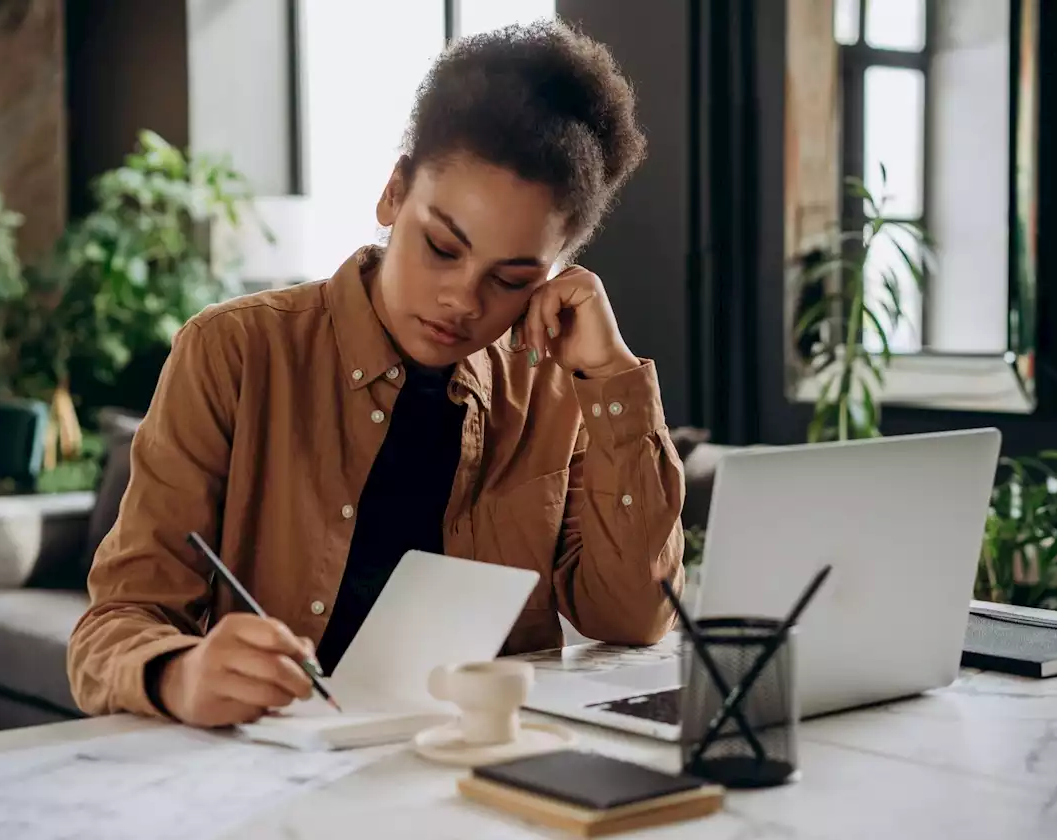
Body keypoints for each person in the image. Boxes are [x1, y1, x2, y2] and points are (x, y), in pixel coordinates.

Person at [67, 20, 685, 729]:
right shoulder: (234, 351)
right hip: (272, 772)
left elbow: (633, 618)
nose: (463, 299)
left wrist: (611, 378)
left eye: (511, 279)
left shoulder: (553, 382)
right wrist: (179, 673)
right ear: (394, 193)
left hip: (471, 768)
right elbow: (115, 623)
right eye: (441, 247)